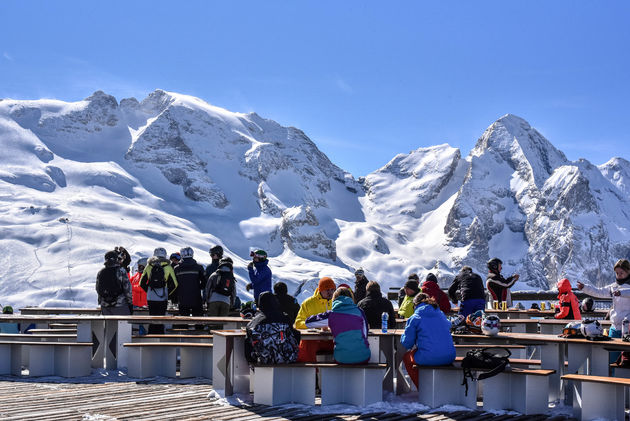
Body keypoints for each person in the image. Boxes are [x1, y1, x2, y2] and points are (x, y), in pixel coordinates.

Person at [578, 259, 630, 365]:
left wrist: (622, 293)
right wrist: (585, 288)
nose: (619, 275)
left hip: (628, 330)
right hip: (615, 327)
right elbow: (599, 291)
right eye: (617, 273)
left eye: (621, 273)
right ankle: (611, 379)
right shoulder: (613, 287)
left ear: (628, 272)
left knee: (626, 363)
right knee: (610, 360)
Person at [400, 293, 456, 389]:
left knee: (407, 358)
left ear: (415, 305)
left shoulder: (415, 318)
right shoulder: (440, 314)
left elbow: (407, 343)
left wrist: (403, 336)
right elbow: (448, 326)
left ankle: (423, 389)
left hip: (429, 356)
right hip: (449, 356)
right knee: (428, 354)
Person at [305, 287, 371, 364]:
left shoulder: (331, 315)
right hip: (363, 356)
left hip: (342, 358)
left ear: (334, 298)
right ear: (351, 298)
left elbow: (308, 323)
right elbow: (365, 335)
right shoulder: (360, 312)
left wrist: (327, 325)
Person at [244, 291, 301, 364]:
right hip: (288, 358)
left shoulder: (254, 323)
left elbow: (248, 344)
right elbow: (294, 336)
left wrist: (251, 361)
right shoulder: (284, 318)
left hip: (264, 360)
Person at [294, 276, 336, 362]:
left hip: (332, 339)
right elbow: (298, 323)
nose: (330, 293)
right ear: (321, 290)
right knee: (307, 346)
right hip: (314, 339)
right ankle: (312, 373)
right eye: (327, 290)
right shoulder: (308, 303)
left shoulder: (336, 303)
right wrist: (314, 327)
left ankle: (336, 374)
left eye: (332, 290)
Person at [140, 247, 178, 333]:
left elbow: (141, 283)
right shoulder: (168, 267)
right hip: (163, 297)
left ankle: (151, 337)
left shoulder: (149, 266)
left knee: (152, 318)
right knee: (161, 318)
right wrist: (167, 294)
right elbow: (175, 284)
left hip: (151, 297)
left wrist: (150, 291)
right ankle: (160, 337)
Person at [96, 250, 132, 315]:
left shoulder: (100, 272)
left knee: (109, 325)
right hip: (120, 304)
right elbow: (127, 288)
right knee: (123, 324)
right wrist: (130, 302)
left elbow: (98, 288)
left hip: (105, 305)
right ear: (116, 259)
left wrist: (101, 302)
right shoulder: (121, 271)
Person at [174, 247, 205, 320]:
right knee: (199, 321)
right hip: (196, 298)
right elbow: (204, 282)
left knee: (183, 322)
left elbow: (174, 284)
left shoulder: (177, 268)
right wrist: (197, 287)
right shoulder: (199, 267)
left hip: (182, 299)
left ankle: (183, 331)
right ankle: (199, 330)